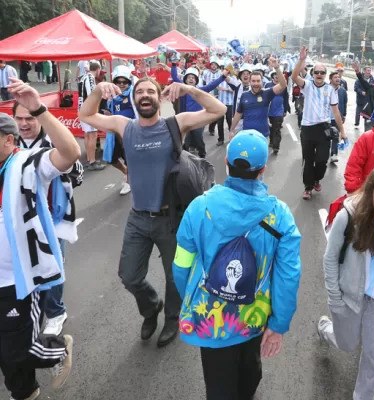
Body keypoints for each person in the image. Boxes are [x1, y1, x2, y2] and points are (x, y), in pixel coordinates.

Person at [78, 77, 227, 348]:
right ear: (134, 99)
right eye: (139, 92)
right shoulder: (125, 126)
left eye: (150, 91)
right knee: (129, 276)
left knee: (174, 276)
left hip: (172, 218)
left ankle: (172, 318)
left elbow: (219, 111)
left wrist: (190, 89)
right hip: (138, 217)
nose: (145, 95)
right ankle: (150, 308)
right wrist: (99, 90)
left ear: (160, 98)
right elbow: (85, 114)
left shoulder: (176, 124)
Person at [173, 129, 302, 400]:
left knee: (219, 385)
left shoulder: (199, 207)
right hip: (254, 318)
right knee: (249, 375)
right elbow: (288, 276)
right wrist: (278, 324)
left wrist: (191, 298)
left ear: (226, 163)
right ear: (263, 169)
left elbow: (181, 266)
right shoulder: (279, 216)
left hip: (210, 318)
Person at [0, 78, 81, 400]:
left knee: (18, 351)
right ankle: (26, 392)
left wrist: (38, 108)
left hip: (17, 281)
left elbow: (71, 152)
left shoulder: (27, 164)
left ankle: (58, 348)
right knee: (7, 357)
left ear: (8, 140)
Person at [318, 163, 374, 400]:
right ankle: (326, 330)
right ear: (370, 191)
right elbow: (329, 260)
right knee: (347, 344)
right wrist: (335, 299)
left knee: (372, 355)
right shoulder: (348, 215)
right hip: (349, 297)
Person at [12, 99, 84, 336]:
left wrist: (56, 173)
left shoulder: (55, 142)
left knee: (51, 267)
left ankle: (55, 312)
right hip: (19, 218)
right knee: (24, 265)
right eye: (19, 118)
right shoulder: (10, 144)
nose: (24, 124)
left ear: (40, 119)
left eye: (29, 118)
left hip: (51, 218)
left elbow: (77, 172)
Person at [292, 45, 346, 200]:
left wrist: (342, 131)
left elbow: (336, 112)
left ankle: (317, 178)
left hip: (323, 129)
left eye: (322, 72)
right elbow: (294, 76)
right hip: (308, 129)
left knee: (322, 160)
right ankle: (308, 187)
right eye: (317, 72)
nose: (320, 74)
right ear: (313, 74)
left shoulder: (331, 90)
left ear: (325, 75)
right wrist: (301, 60)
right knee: (308, 160)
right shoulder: (307, 86)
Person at [168, 61, 227, 157]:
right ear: (185, 80)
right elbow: (174, 77)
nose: (191, 79)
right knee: (185, 142)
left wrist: (223, 77)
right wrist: (174, 64)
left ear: (196, 80)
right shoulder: (182, 89)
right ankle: (184, 159)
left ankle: (202, 156)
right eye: (189, 77)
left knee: (198, 139)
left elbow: (212, 85)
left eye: (193, 78)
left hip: (199, 119)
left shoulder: (200, 90)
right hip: (185, 120)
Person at [101, 66, 138, 196]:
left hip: (130, 133)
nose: (122, 84)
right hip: (115, 133)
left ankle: (129, 181)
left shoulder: (134, 94)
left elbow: (139, 114)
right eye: (118, 82)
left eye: (124, 82)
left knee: (131, 159)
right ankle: (127, 172)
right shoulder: (112, 96)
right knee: (111, 158)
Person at [230, 58, 287, 139]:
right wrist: (231, 130)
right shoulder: (244, 95)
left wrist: (277, 68)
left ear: (262, 81)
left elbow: (283, 85)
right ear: (250, 81)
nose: (256, 83)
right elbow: (238, 113)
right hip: (247, 135)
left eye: (258, 81)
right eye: (253, 81)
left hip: (263, 135)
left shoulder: (267, 93)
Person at [78, 61, 105, 171]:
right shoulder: (89, 78)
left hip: (82, 108)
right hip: (88, 109)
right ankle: (92, 161)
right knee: (92, 135)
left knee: (87, 135)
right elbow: (91, 94)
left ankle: (90, 159)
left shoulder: (82, 77)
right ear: (98, 69)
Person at [352, 62, 374, 131]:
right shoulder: (371, 88)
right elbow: (362, 81)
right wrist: (357, 71)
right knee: (368, 137)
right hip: (370, 118)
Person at [265, 69, 291, 154]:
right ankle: (271, 141)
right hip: (268, 110)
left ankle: (276, 147)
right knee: (270, 128)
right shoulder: (267, 84)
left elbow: (286, 97)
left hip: (279, 111)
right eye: (275, 74)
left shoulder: (283, 86)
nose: (276, 76)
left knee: (277, 129)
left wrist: (286, 109)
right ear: (272, 76)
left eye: (278, 74)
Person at [329, 71, 347, 163]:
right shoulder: (326, 89)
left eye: (338, 77)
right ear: (330, 79)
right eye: (335, 77)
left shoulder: (342, 91)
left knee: (336, 136)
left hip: (337, 118)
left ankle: (334, 154)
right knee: (326, 136)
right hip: (326, 118)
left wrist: (344, 115)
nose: (337, 79)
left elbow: (344, 103)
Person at [215, 70, 235, 146]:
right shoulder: (220, 78)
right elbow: (216, 86)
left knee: (230, 122)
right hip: (220, 103)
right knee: (219, 123)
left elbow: (235, 90)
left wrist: (225, 89)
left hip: (230, 103)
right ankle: (220, 139)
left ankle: (232, 139)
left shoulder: (233, 79)